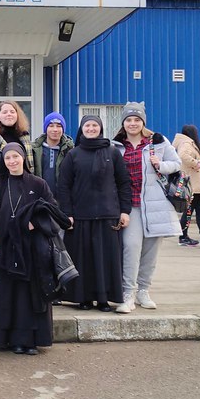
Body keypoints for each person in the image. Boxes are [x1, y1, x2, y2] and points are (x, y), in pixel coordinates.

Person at [0, 143, 63, 355]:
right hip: (6, 247)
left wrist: (37, 223)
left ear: (23, 158)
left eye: (15, 157)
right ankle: (11, 340)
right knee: (9, 294)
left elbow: (52, 210)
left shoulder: (38, 184)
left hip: (32, 248)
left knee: (30, 295)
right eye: (7, 158)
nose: (12, 161)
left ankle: (31, 340)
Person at [112, 102, 182, 313]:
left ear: (143, 122)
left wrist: (160, 165)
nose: (132, 123)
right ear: (123, 123)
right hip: (129, 205)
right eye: (129, 120)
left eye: (137, 120)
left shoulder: (158, 142)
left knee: (151, 252)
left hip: (154, 204)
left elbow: (177, 163)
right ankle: (127, 294)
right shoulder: (115, 146)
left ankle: (144, 290)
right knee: (131, 248)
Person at [57, 115, 132, 311]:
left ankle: (104, 299)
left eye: (94, 125)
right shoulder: (73, 154)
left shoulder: (113, 152)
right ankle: (83, 298)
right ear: (82, 129)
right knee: (84, 260)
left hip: (108, 215)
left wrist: (125, 211)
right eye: (87, 125)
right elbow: (64, 186)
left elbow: (123, 183)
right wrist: (67, 213)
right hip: (80, 216)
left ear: (100, 128)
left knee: (106, 260)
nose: (91, 129)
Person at [172, 125, 200, 248]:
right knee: (195, 211)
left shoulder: (184, 142)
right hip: (193, 184)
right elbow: (183, 156)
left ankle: (186, 236)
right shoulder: (187, 143)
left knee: (192, 211)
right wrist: (196, 163)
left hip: (193, 184)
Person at [30, 111, 75, 198]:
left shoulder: (70, 150)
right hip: (39, 200)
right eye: (51, 126)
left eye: (59, 126)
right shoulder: (34, 150)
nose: (55, 129)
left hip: (62, 201)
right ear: (45, 128)